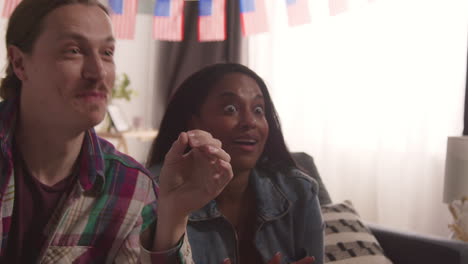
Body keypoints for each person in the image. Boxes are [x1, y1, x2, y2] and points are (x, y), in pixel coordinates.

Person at [0, 0, 233, 263]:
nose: (98, 71)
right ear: (19, 63)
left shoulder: (132, 187)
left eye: (107, 53)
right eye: (74, 50)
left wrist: (173, 216)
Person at [147, 63, 324, 264]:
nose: (250, 122)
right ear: (194, 124)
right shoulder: (150, 192)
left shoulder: (299, 190)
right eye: (230, 109)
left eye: (258, 110)